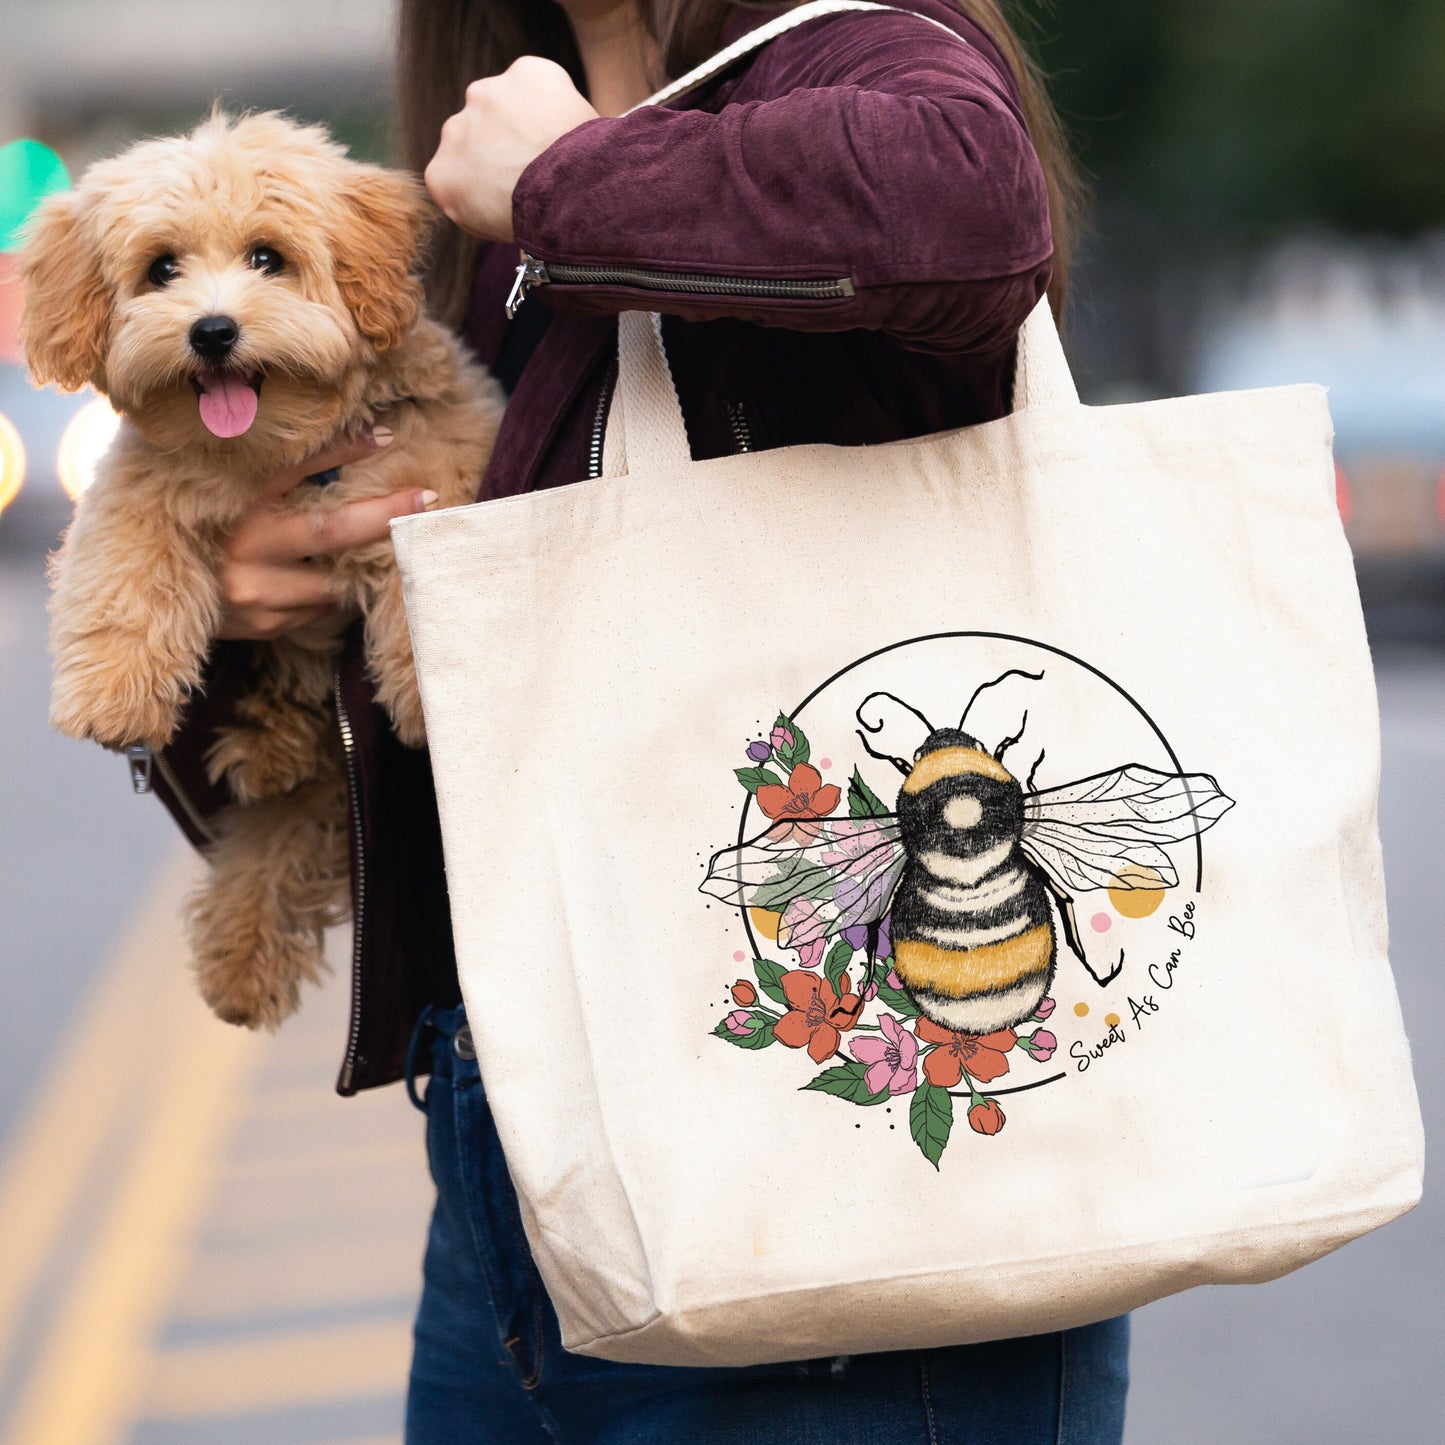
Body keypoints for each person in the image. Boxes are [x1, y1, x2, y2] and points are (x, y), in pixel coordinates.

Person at [151, 1, 1130, 1439]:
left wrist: (570, 182)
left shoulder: (844, 45)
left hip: (847, 1194)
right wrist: (241, 622)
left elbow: (974, 206)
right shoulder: (481, 170)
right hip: (511, 1179)